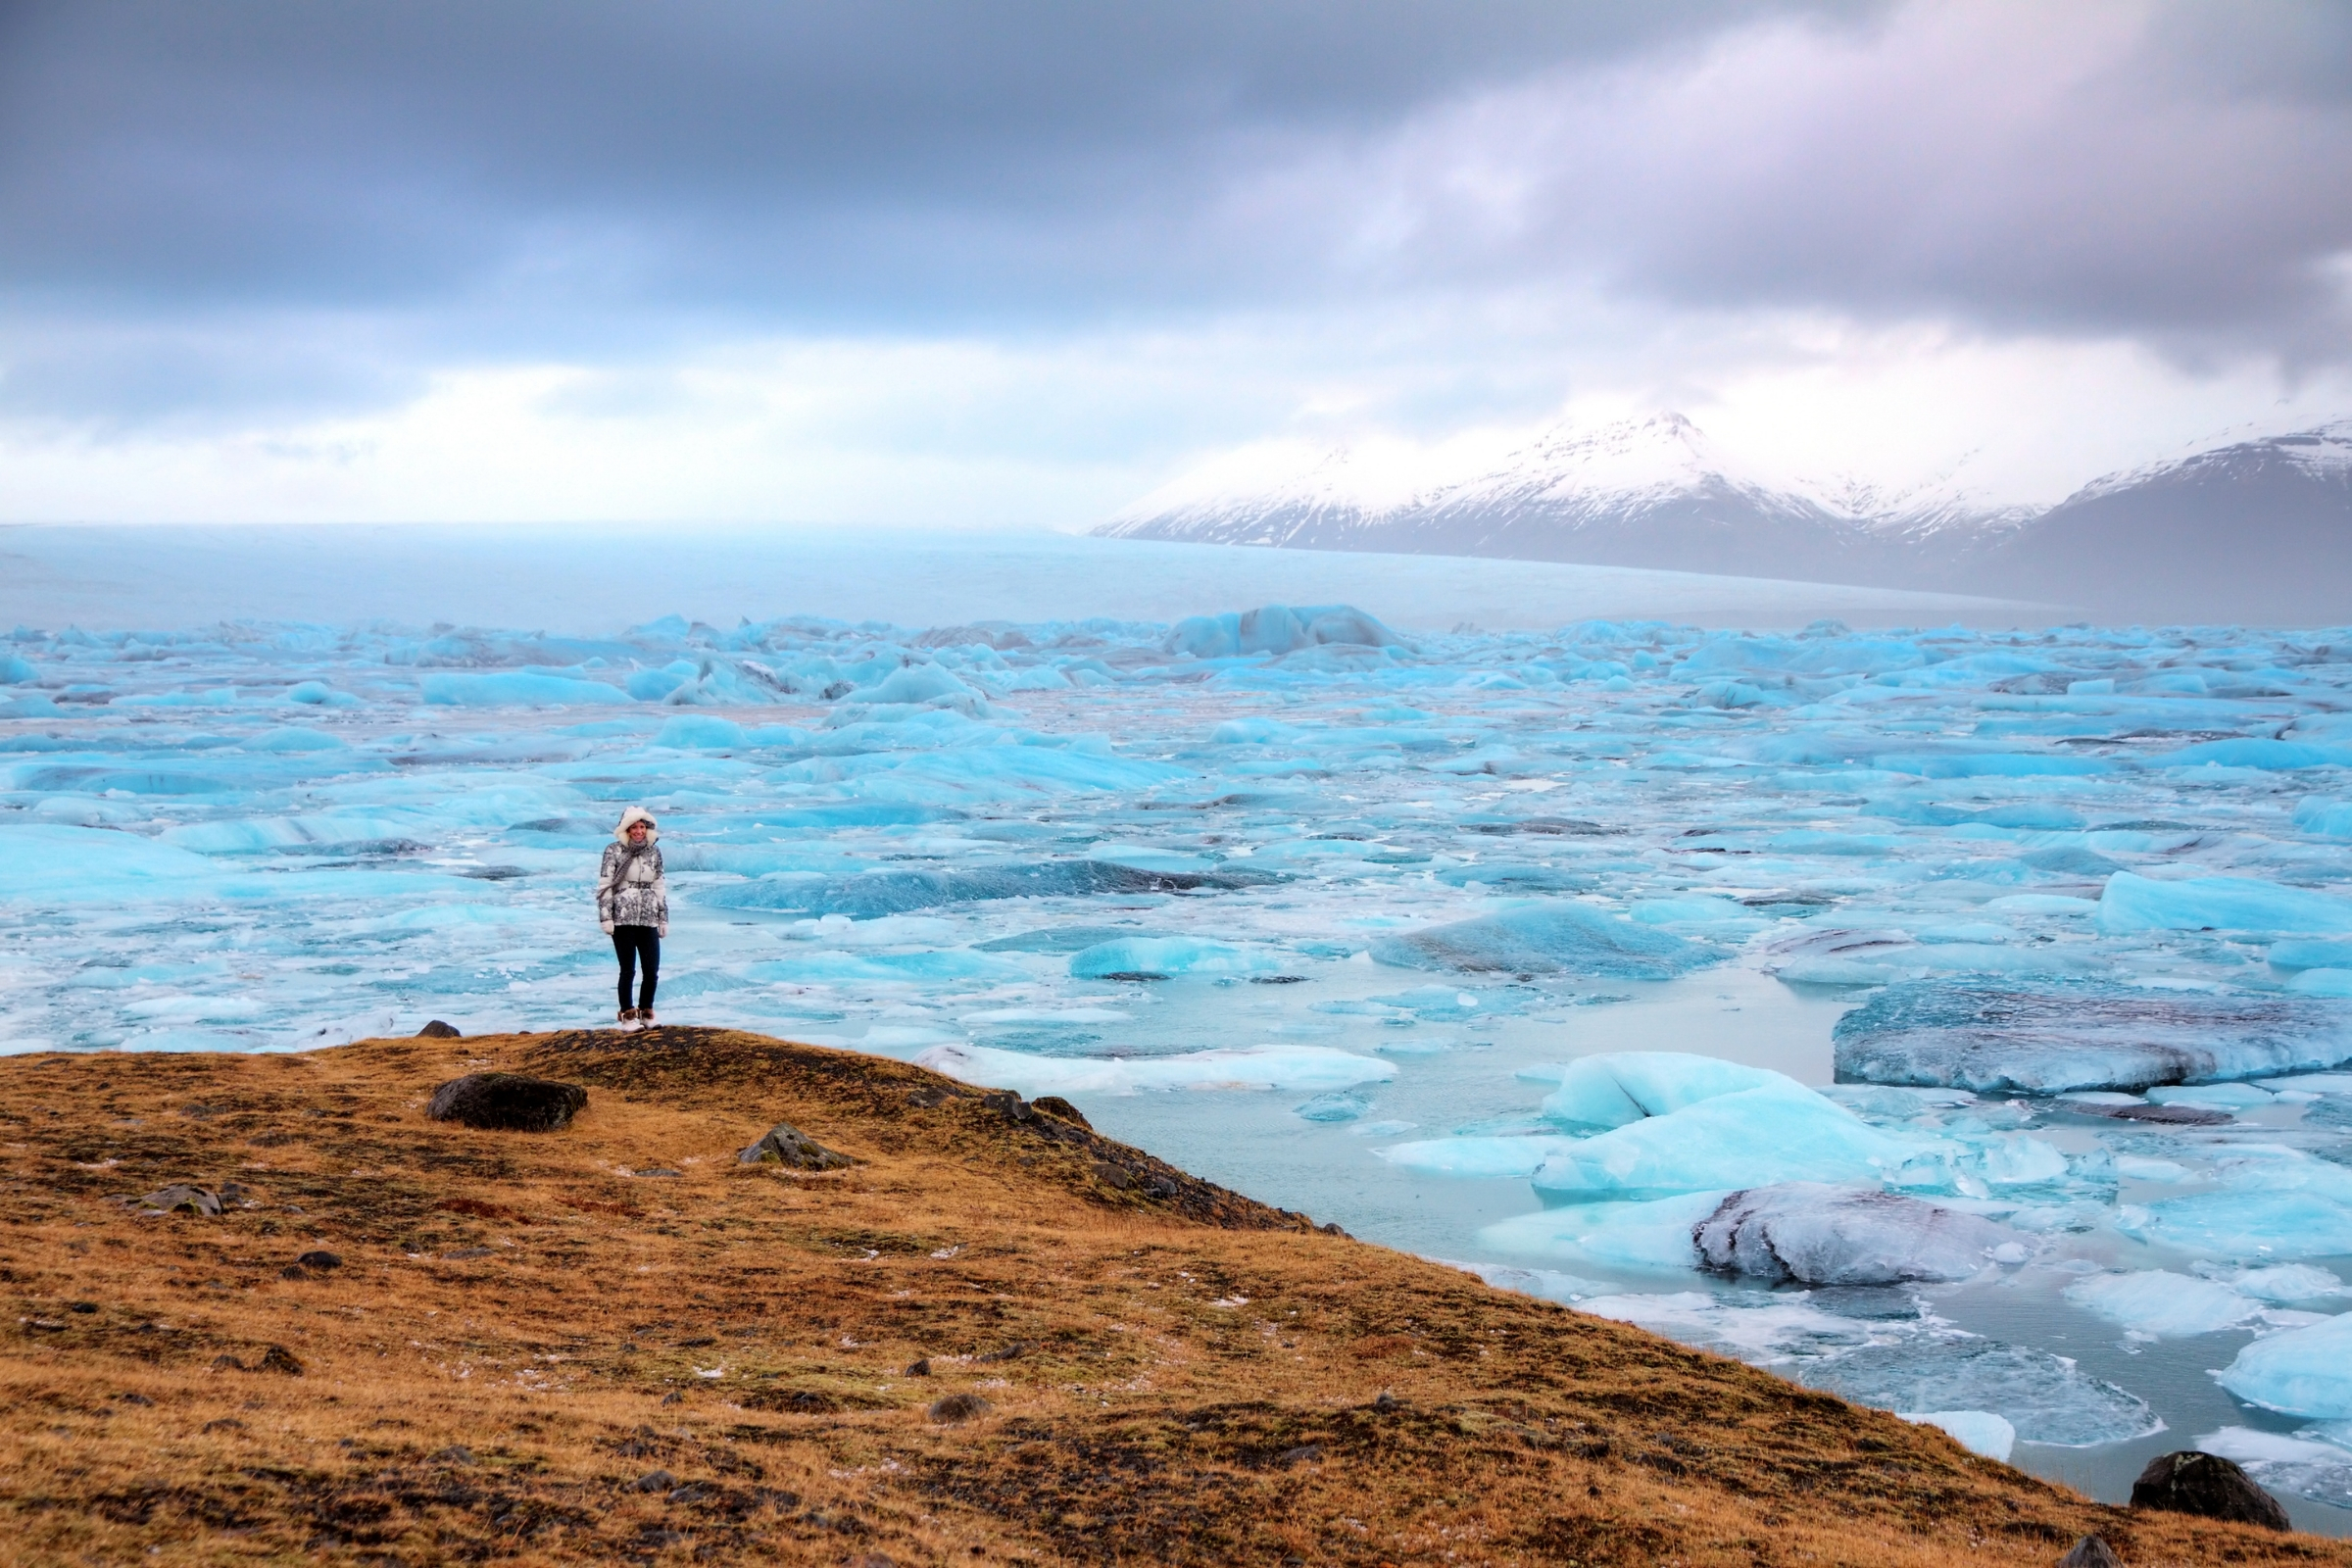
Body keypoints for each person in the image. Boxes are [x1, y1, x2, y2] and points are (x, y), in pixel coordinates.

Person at [598, 806, 667, 1029]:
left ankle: (646, 1012)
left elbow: (659, 886)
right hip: (622, 916)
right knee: (628, 969)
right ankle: (628, 1015)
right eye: (634, 827)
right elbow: (605, 885)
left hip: (648, 916)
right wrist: (606, 917)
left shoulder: (654, 852)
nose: (638, 831)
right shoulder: (613, 851)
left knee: (651, 969)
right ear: (625, 830)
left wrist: (663, 918)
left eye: (642, 827)